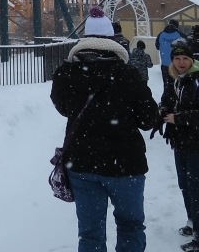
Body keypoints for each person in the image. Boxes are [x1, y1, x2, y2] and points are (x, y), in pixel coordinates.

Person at [51, 13, 159, 252]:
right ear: (112, 39)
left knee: (90, 232)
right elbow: (148, 120)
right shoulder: (128, 74)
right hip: (125, 163)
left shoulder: (66, 72)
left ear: (85, 38)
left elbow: (64, 108)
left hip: (82, 162)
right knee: (130, 225)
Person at [160, 44, 199, 252]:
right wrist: (162, 111)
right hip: (180, 142)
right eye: (177, 59)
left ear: (192, 60)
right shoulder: (175, 81)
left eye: (185, 58)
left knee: (197, 188)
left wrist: (179, 118)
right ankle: (194, 222)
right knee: (185, 185)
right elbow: (167, 101)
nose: (181, 62)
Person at [156, 20, 187, 91]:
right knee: (178, 85)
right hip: (178, 64)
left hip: (165, 64)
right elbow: (187, 47)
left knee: (167, 85)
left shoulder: (161, 34)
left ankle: (167, 96)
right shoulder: (180, 35)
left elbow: (157, 47)